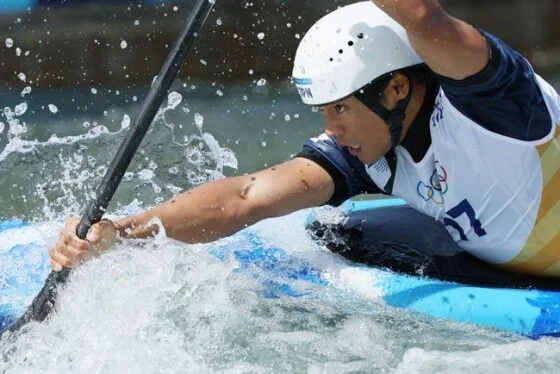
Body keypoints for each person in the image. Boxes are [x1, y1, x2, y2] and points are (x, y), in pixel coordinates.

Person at [50, 1, 560, 277]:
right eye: (324, 111)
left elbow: (425, 17)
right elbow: (246, 198)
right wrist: (122, 232)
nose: (331, 128)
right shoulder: (368, 147)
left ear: (398, 87)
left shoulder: (495, 102)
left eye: (341, 108)